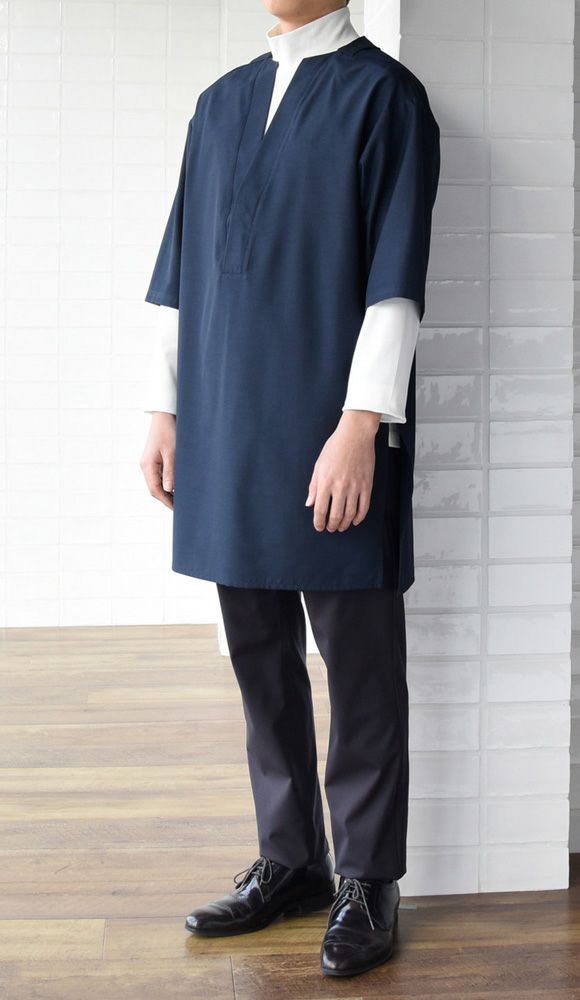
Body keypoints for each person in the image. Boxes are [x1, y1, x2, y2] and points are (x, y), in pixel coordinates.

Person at [139, 0, 440, 979]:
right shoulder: (218, 104)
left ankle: (368, 879)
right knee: (258, 655)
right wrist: (164, 409)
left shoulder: (386, 98)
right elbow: (178, 272)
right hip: (225, 418)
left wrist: (360, 425)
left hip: (330, 425)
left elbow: (395, 281)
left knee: (359, 663)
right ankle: (292, 859)